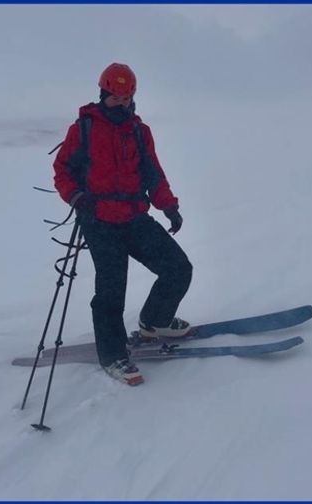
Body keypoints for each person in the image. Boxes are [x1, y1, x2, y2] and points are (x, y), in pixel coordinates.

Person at [53, 63, 193, 385]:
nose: (121, 103)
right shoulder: (84, 128)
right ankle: (113, 354)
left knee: (178, 268)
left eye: (126, 97)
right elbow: (62, 170)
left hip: (133, 217)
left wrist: (169, 206)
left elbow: (153, 174)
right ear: (103, 94)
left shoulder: (140, 132)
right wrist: (75, 197)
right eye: (115, 97)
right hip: (98, 220)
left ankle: (154, 320)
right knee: (111, 291)